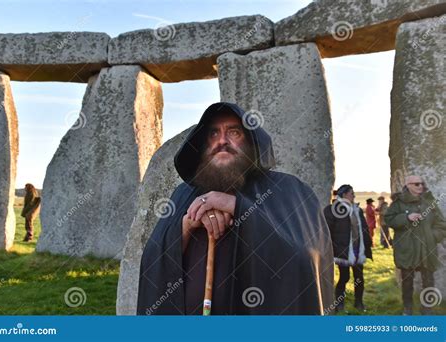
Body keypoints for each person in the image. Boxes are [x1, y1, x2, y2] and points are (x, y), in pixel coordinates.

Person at [137, 102, 334, 315]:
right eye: (213, 133)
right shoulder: (183, 194)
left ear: (251, 141)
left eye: (234, 132)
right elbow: (151, 261)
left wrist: (238, 208)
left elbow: (304, 261)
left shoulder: (289, 190)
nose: (222, 140)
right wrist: (185, 226)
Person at [384, 175, 446, 315]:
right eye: (417, 184)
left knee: (428, 280)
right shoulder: (398, 203)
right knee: (407, 281)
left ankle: (427, 309)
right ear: (408, 185)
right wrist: (406, 217)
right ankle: (407, 309)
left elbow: (442, 224)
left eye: (422, 184)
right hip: (407, 248)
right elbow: (388, 220)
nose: (420, 186)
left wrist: (432, 236)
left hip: (427, 248)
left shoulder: (430, 202)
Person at [323, 185, 372, 313]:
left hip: (357, 250)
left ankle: (359, 303)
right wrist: (333, 248)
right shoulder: (332, 209)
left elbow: (364, 228)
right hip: (343, 250)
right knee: (344, 277)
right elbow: (326, 230)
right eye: (352, 193)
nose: (354, 196)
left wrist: (367, 244)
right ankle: (339, 305)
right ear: (344, 194)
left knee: (359, 278)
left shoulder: (357, 210)